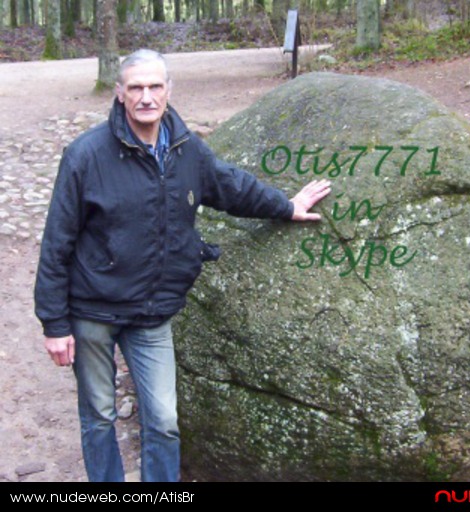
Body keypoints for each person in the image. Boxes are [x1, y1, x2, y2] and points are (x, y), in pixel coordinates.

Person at [34, 48, 331, 483]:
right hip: (93, 311)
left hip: (153, 311)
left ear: (169, 90)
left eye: (155, 86)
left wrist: (286, 206)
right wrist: (54, 324)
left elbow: (230, 186)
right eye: (136, 87)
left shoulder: (185, 148)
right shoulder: (86, 155)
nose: (146, 97)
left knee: (164, 420)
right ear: (119, 93)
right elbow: (56, 242)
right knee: (99, 416)